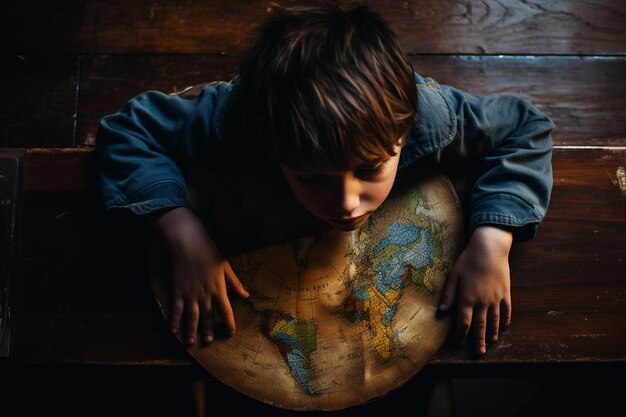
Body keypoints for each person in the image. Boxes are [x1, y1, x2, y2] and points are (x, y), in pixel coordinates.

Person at [96, 3, 553, 358]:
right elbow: (125, 131)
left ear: (403, 130)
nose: (348, 202)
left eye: (371, 169)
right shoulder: (241, 123)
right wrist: (183, 233)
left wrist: (493, 240)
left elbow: (526, 127)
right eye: (311, 178)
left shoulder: (425, 114)